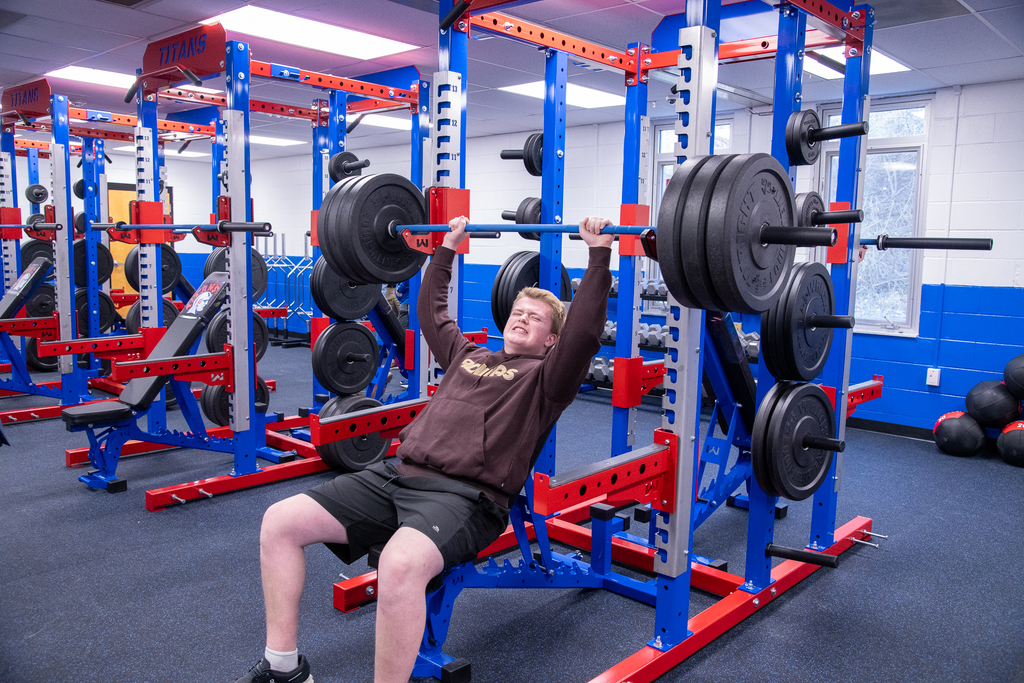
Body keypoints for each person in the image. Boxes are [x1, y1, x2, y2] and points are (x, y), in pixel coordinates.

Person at [234, 216, 614, 683]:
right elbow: (431, 312)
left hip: (465, 497)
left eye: (535, 319)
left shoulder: (548, 381)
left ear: (551, 340)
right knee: (280, 521)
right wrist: (447, 248)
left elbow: (584, 337)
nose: (522, 318)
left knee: (400, 564)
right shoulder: (468, 355)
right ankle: (283, 665)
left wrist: (598, 256)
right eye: (518, 311)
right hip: (396, 473)